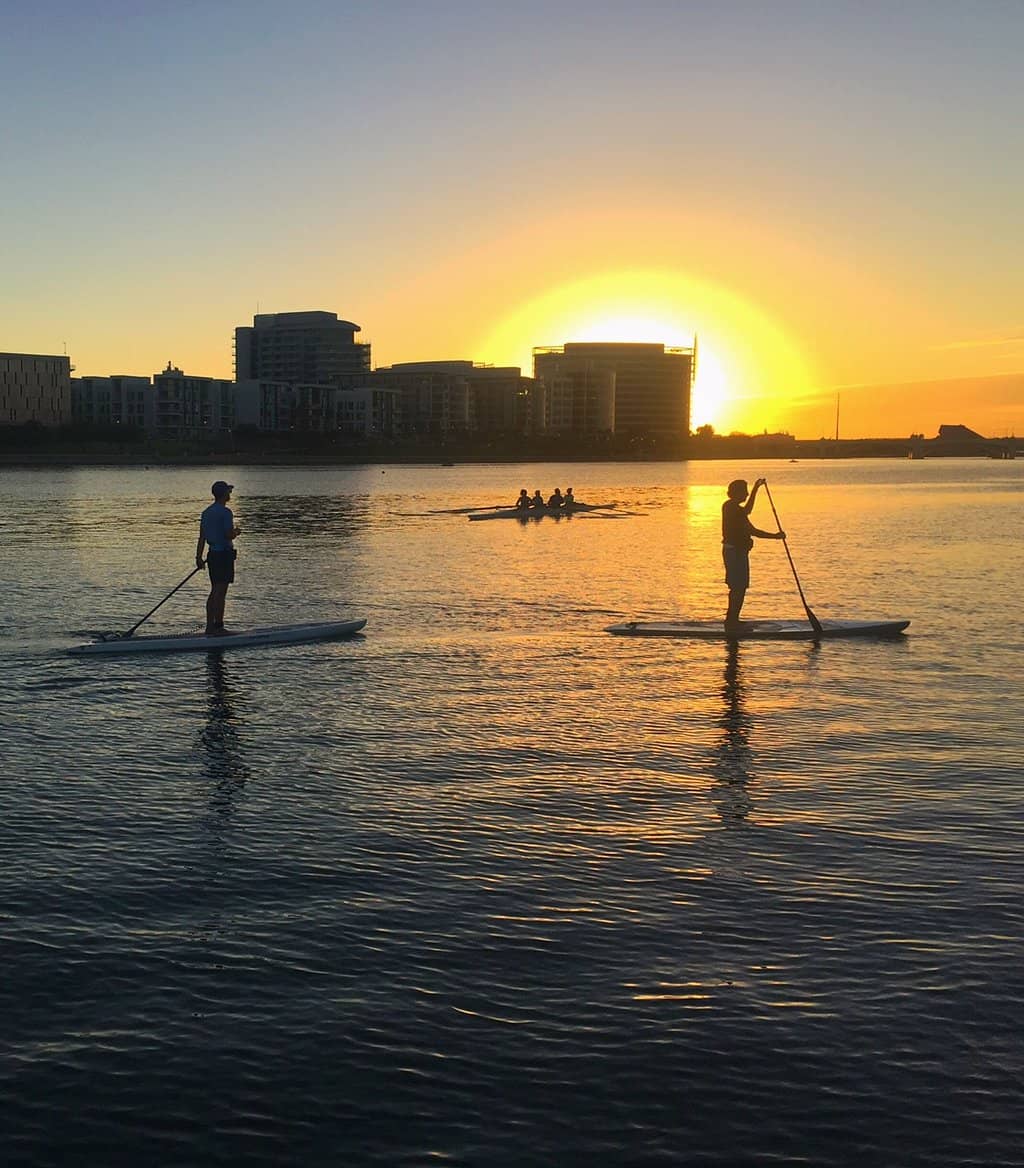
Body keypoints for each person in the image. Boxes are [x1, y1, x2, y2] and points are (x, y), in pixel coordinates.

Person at [721, 477, 784, 633]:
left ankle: (733, 620)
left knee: (740, 587)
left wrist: (756, 488)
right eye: (745, 492)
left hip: (739, 552)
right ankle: (731, 621)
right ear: (736, 493)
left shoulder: (735, 510)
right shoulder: (730, 507)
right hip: (734, 553)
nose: (747, 494)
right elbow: (752, 529)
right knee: (738, 586)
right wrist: (775, 536)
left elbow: (748, 515)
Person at [196, 480, 241, 636]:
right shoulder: (226, 512)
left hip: (212, 555)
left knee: (214, 590)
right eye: (228, 491)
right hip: (223, 555)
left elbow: (202, 537)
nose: (230, 494)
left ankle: (210, 627)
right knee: (220, 592)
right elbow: (228, 534)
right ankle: (219, 627)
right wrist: (236, 532)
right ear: (224, 494)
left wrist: (198, 557)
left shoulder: (206, 512)